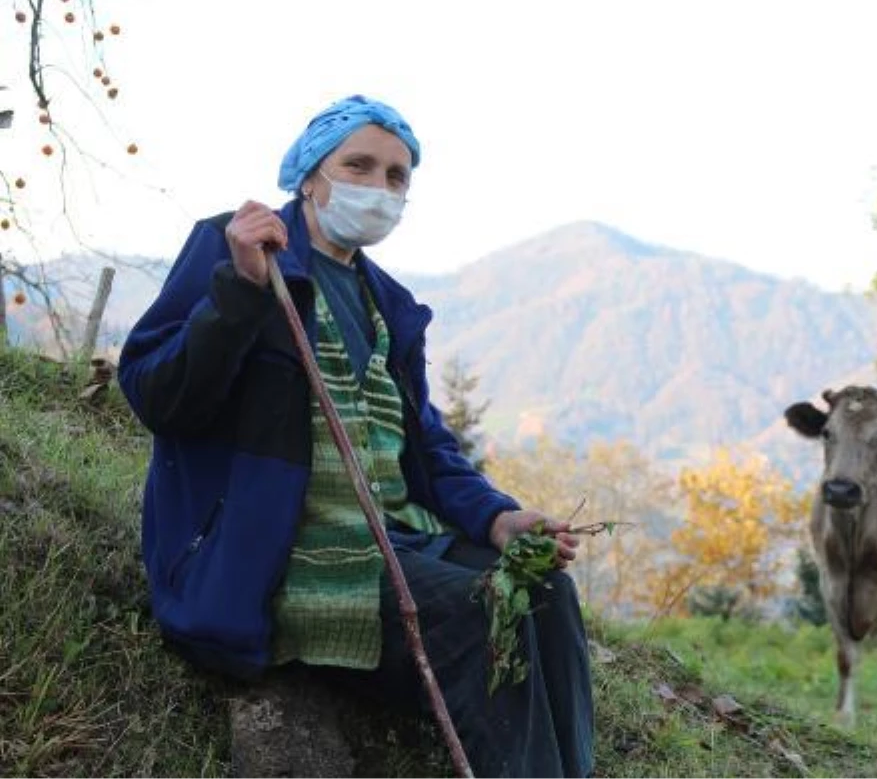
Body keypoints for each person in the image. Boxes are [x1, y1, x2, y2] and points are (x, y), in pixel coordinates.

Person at [118, 94, 595, 778]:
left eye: (397, 176)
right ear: (310, 174)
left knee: (544, 592)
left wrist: (497, 519)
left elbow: (425, 446)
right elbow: (158, 396)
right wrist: (239, 294)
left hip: (391, 540)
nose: (378, 187)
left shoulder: (387, 306)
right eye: (359, 165)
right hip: (278, 555)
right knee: (479, 613)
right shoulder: (238, 248)